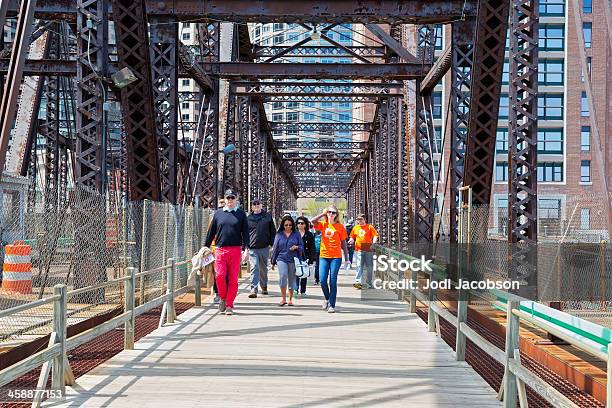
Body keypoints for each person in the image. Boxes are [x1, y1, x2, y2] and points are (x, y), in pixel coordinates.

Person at [205, 189, 249, 316]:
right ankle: (223, 298)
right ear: (224, 199)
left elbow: (245, 233)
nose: (230, 200)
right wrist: (205, 248)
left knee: (233, 280)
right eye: (228, 198)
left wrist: (246, 249)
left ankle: (229, 305)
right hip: (220, 249)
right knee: (219, 276)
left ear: (236, 199)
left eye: (232, 198)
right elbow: (211, 232)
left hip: (235, 250)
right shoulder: (218, 214)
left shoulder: (241, 214)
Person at [311, 205, 349, 313]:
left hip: (336, 257)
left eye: (333, 212)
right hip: (324, 256)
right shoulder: (323, 224)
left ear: (336, 215)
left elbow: (344, 243)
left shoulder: (340, 227)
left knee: (333, 280)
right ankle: (327, 298)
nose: (331, 214)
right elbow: (312, 221)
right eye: (329, 212)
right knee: (322, 280)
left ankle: (332, 304)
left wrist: (347, 259)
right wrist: (323, 214)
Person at [271, 215, 303, 306]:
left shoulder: (296, 234)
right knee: (283, 276)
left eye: (290, 225)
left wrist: (296, 247)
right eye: (286, 225)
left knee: (292, 279)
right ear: (283, 225)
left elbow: (301, 246)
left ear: (292, 225)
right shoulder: (279, 234)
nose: (288, 227)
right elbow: (275, 248)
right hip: (281, 258)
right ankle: (283, 298)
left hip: (293, 259)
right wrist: (273, 262)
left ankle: (290, 299)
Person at [247, 199, 276, 298]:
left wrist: (271, 244)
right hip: (252, 247)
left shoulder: (267, 217)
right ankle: (253, 289)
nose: (256, 205)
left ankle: (264, 286)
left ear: (261, 205)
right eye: (254, 204)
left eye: (257, 204)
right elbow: (245, 233)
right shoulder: (248, 218)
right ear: (252, 206)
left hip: (264, 247)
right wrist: (245, 246)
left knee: (263, 268)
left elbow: (273, 231)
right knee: (254, 267)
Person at [349, 214, 379, 289]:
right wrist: (350, 241)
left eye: (361, 219)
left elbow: (375, 235)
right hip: (358, 249)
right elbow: (352, 237)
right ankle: (358, 282)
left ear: (364, 219)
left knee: (369, 267)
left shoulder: (369, 227)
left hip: (368, 248)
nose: (359, 221)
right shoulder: (355, 228)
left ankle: (369, 282)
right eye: (358, 219)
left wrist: (374, 243)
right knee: (359, 266)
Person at [295, 216, 315, 296]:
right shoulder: (294, 233)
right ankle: (295, 289)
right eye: (298, 223)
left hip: (305, 256)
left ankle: (303, 291)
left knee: (304, 273)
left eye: (302, 223)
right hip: (295, 256)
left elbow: (312, 247)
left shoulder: (309, 234)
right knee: (296, 273)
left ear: (305, 224)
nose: (300, 225)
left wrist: (312, 258)